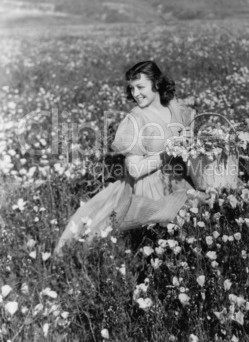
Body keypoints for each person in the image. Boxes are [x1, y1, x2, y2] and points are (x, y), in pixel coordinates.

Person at [55, 61, 195, 255]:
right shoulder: (134, 120)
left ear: (156, 84)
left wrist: (191, 143)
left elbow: (188, 143)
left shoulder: (174, 107)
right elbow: (134, 170)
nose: (135, 94)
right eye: (132, 88)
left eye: (140, 87)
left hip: (181, 178)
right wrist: (167, 153)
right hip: (148, 186)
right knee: (170, 229)